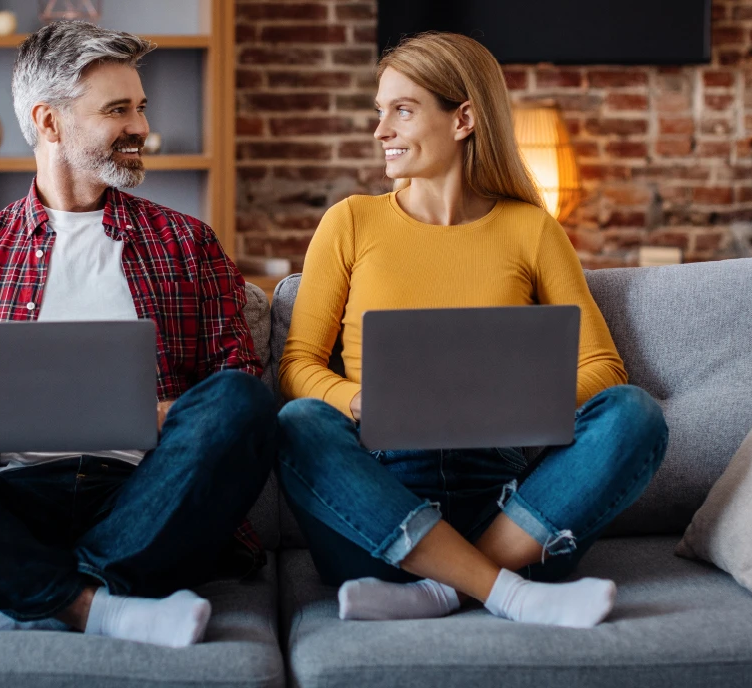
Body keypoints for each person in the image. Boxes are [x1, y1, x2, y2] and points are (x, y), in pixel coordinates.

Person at [0, 21, 277, 648]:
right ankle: (97, 604)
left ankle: (22, 598)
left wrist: (148, 415)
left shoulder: (186, 244)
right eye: (118, 110)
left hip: (145, 499)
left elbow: (238, 383)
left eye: (141, 108)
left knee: (245, 406)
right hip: (11, 502)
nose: (141, 127)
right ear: (49, 122)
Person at [276, 32, 669, 629]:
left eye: (401, 111)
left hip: (507, 509)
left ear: (462, 118)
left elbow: (604, 370)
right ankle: (505, 591)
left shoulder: (530, 229)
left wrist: (516, 405)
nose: (380, 130)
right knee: (297, 424)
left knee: (634, 414)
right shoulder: (350, 222)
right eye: (378, 112)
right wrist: (359, 400)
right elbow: (297, 365)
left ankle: (445, 589)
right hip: (378, 510)